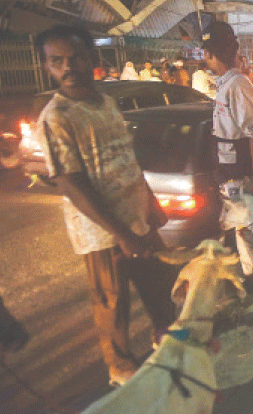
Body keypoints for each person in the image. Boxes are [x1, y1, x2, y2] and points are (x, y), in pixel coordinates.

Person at [34, 25, 177, 386]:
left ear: (92, 59)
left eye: (76, 57)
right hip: (102, 232)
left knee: (161, 286)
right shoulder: (56, 116)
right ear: (47, 67)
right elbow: (70, 182)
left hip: (137, 219)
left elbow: (125, 159)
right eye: (57, 61)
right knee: (112, 304)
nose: (69, 67)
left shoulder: (106, 102)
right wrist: (121, 233)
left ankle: (170, 345)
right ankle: (121, 371)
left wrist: (150, 201)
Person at [203, 21, 253, 285]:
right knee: (241, 229)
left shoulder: (239, 85)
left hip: (241, 172)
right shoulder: (224, 84)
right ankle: (249, 275)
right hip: (229, 172)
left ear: (210, 54)